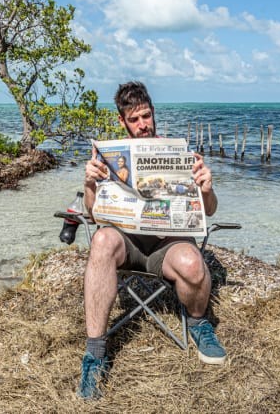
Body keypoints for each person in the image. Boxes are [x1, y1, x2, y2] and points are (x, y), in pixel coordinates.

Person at [77, 81, 223, 400]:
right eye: (135, 119)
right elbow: (91, 212)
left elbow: (208, 211)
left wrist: (207, 188)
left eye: (146, 116)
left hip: (166, 247)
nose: (143, 124)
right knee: (101, 241)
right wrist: (90, 183)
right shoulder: (110, 156)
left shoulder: (178, 153)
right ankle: (95, 354)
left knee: (192, 263)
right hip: (126, 245)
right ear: (122, 121)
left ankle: (198, 323)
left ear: (153, 113)